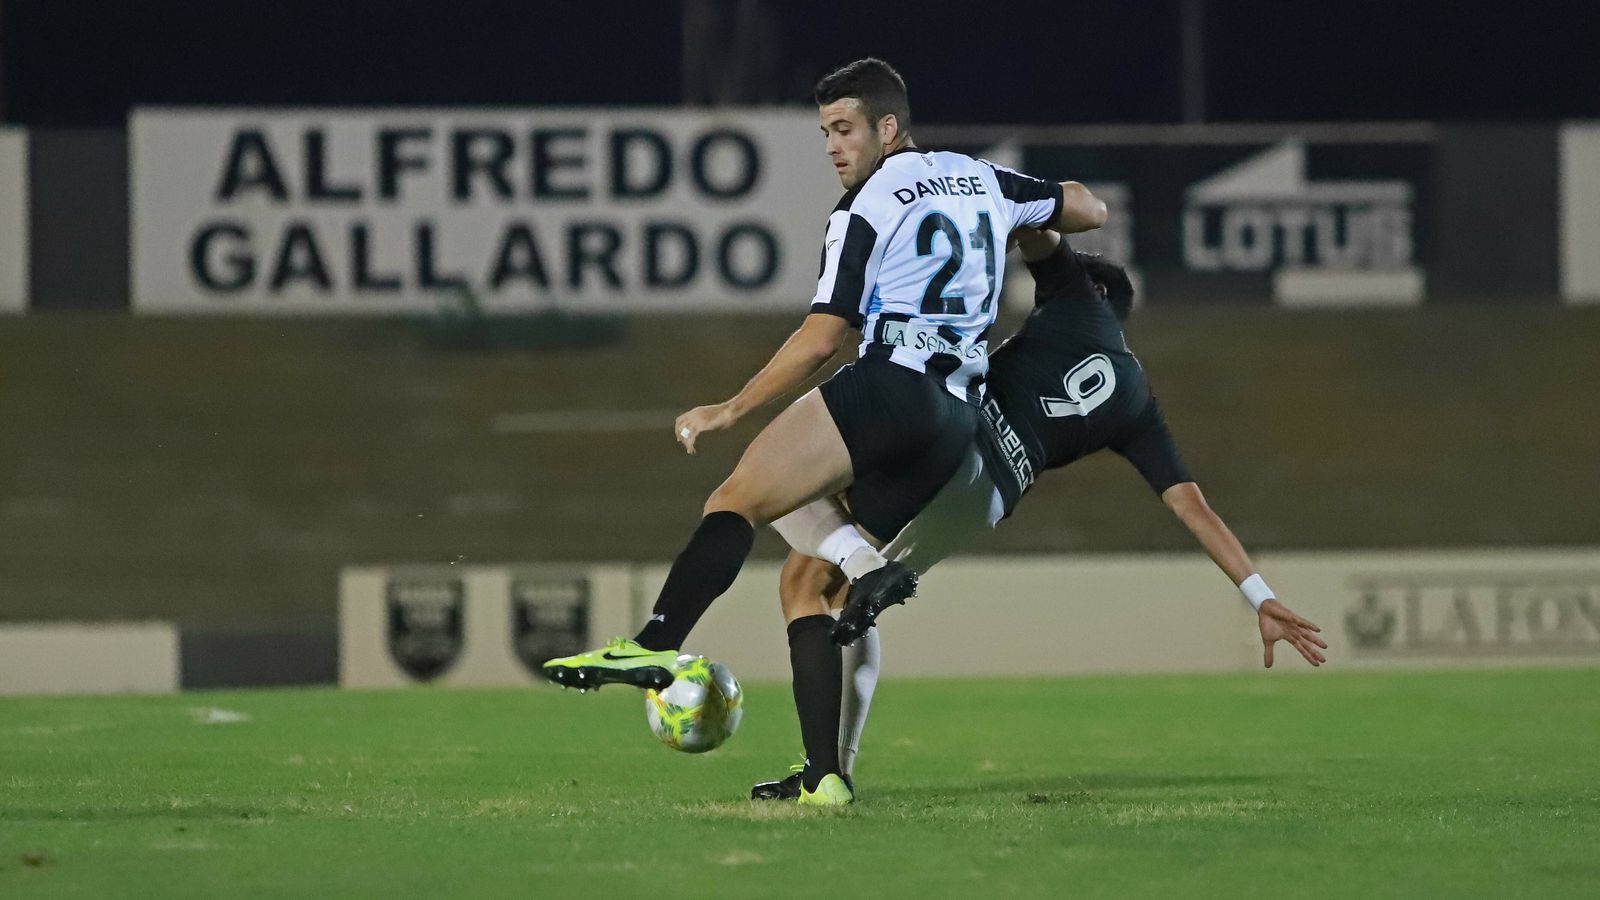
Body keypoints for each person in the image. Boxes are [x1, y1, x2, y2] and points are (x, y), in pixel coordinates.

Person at [541, 58, 1107, 806]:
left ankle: (653, 646)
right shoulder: (982, 180)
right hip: (954, 417)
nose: (834, 148)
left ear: (888, 127)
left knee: (738, 497)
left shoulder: (865, 206)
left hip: (893, 383)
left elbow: (822, 338)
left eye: (844, 129)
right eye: (825, 133)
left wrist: (730, 408)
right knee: (807, 582)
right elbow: (1088, 207)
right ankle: (824, 774)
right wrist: (1026, 224)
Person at [750, 230, 1326, 801]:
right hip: (987, 499)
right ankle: (836, 767)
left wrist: (972, 213)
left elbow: (1040, 228)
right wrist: (1260, 596)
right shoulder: (1138, 403)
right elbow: (1191, 506)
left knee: (791, 516)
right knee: (844, 598)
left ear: (1097, 293)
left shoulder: (1078, 304)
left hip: (956, 438)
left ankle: (827, 764)